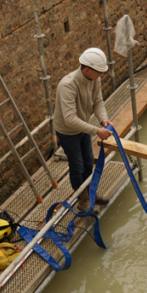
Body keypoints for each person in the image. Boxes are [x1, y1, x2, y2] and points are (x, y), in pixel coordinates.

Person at [54, 47, 111, 209]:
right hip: (68, 132)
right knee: (77, 166)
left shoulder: (94, 79)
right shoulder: (67, 85)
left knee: (87, 162)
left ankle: (90, 192)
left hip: (83, 128)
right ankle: (83, 199)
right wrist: (96, 131)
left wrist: (103, 119)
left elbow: (98, 102)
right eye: (99, 72)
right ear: (87, 69)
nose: (101, 75)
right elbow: (70, 119)